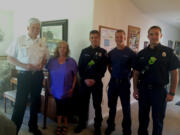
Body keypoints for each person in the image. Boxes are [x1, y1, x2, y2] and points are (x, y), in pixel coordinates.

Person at [133, 26, 180, 135]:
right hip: (143, 90)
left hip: (159, 92)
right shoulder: (141, 54)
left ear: (161, 35)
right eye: (151, 34)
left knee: (158, 119)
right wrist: (135, 89)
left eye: (156, 34)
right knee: (143, 118)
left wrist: (172, 92)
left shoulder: (168, 52)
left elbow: (174, 73)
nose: (154, 36)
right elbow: (136, 73)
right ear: (148, 36)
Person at [6, 18, 49, 135]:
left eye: (38, 28)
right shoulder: (19, 40)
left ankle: (33, 127)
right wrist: (24, 65)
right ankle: (13, 130)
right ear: (28, 28)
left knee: (36, 102)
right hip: (24, 76)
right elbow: (9, 57)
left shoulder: (42, 42)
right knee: (20, 103)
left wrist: (43, 63)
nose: (36, 30)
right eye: (33, 27)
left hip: (38, 76)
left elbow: (45, 57)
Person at [74, 30, 107, 135]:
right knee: (83, 104)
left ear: (99, 38)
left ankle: (97, 127)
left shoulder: (103, 52)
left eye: (96, 37)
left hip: (97, 83)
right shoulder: (84, 51)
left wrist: (94, 80)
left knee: (97, 105)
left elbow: (103, 70)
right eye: (92, 37)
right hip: (84, 82)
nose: (94, 39)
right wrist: (84, 79)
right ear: (90, 38)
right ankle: (82, 124)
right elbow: (80, 67)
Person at [105, 30, 136, 135]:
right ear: (115, 38)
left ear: (125, 37)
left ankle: (127, 130)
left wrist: (127, 77)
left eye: (121, 37)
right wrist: (114, 75)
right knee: (112, 107)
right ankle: (110, 126)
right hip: (113, 83)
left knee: (126, 108)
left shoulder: (131, 53)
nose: (119, 39)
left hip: (124, 84)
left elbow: (135, 70)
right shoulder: (111, 53)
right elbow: (109, 67)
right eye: (117, 37)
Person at [46, 41, 77, 135]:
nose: (62, 49)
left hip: (67, 89)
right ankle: (59, 125)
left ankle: (66, 125)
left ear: (67, 49)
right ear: (57, 48)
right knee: (59, 107)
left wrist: (72, 88)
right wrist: (48, 87)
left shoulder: (71, 61)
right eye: (60, 47)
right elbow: (48, 75)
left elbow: (75, 76)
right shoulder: (51, 60)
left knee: (66, 108)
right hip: (55, 89)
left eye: (64, 47)